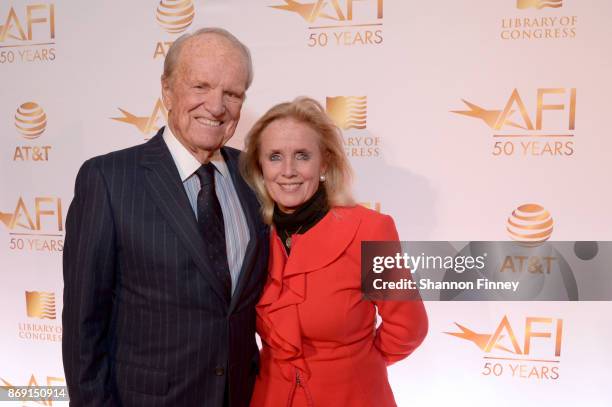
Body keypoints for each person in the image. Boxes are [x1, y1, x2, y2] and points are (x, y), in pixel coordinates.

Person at [62, 28, 269, 407]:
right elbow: (82, 326)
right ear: (168, 90)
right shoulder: (108, 180)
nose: (216, 106)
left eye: (232, 94)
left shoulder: (255, 175)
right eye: (201, 86)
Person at [241, 97, 428, 406]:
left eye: (302, 155)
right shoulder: (250, 233)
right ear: (260, 166)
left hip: (352, 396)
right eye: (275, 156)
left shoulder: (370, 230)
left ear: (324, 162)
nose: (288, 170)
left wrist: (357, 363)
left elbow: (409, 327)